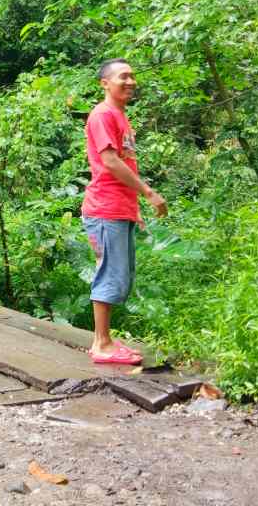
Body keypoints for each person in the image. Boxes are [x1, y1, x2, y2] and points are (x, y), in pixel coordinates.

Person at [82, 58, 168, 365]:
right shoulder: (103, 114)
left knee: (121, 274)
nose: (131, 82)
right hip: (104, 208)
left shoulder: (119, 115)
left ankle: (104, 341)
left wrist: (134, 207)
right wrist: (148, 192)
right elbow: (111, 162)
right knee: (111, 272)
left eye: (133, 76)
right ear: (105, 83)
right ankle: (102, 344)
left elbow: (124, 163)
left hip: (119, 208)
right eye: (123, 77)